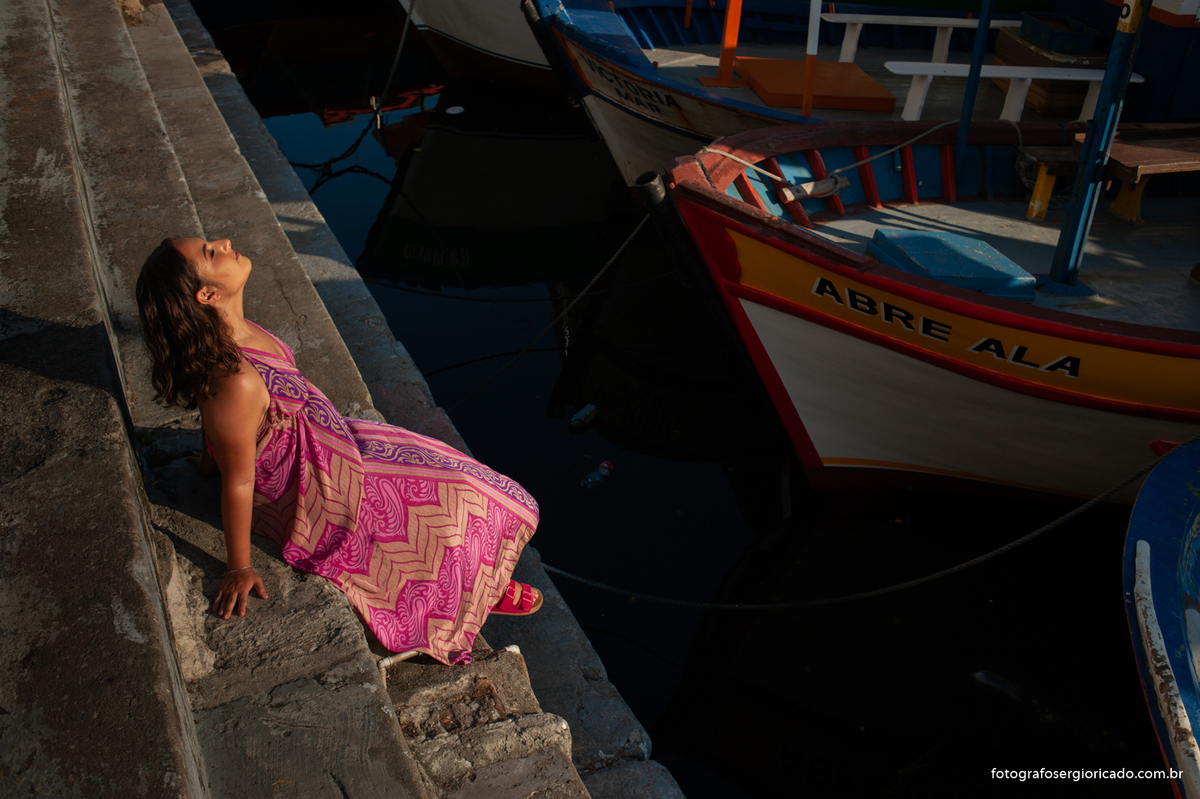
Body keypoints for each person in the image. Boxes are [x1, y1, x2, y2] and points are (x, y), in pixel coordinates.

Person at [135, 237, 541, 664]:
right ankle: (470, 593)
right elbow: (238, 479)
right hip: (312, 486)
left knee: (453, 471)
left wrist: (207, 460)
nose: (224, 242)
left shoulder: (238, 331)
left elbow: (223, 426)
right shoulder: (235, 381)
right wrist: (238, 566)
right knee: (445, 503)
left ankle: (481, 580)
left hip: (329, 439)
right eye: (210, 252)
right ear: (207, 295)